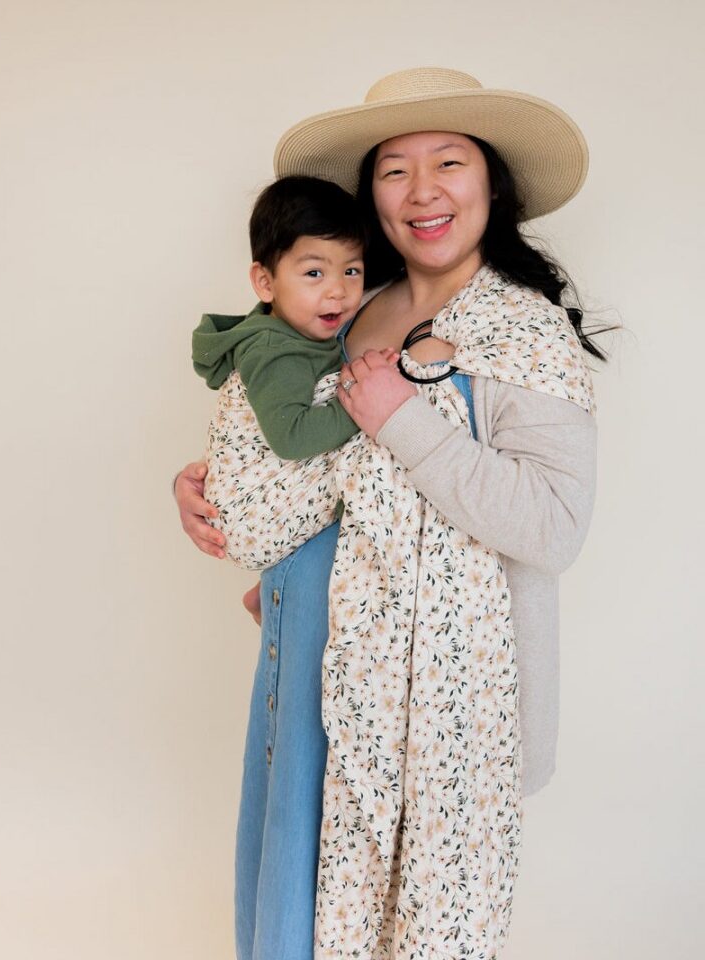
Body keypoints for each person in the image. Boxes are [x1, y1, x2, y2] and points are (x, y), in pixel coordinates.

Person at [174, 67, 601, 960]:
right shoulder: (349, 312)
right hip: (323, 678)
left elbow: (554, 526)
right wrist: (212, 486)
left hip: (449, 704)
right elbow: (308, 454)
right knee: (308, 924)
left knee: (425, 933)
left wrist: (402, 419)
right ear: (372, 195)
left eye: (449, 162)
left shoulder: (523, 331)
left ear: (493, 184)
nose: (423, 191)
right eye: (394, 170)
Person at [191, 175, 397, 571]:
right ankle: (277, 586)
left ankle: (269, 590)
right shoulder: (275, 352)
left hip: (260, 521)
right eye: (315, 274)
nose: (337, 290)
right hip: (251, 522)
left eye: (351, 271)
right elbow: (291, 437)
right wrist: (364, 401)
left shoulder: (296, 331)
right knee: (370, 458)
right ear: (265, 283)